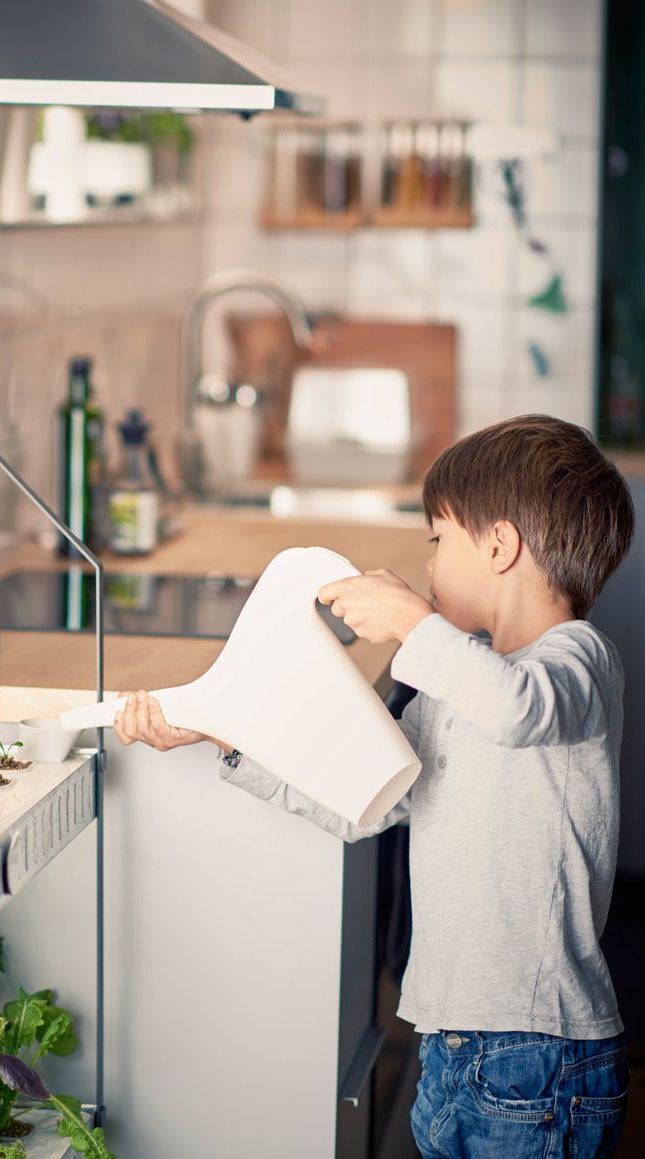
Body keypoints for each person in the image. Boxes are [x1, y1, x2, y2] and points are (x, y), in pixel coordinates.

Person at [112, 415, 635, 1158]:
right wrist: (229, 739)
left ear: (500, 545)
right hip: (453, 1049)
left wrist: (414, 624)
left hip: (539, 1056)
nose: (428, 564)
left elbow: (519, 709)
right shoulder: (455, 688)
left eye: (437, 539)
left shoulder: (579, 662)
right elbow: (367, 800)